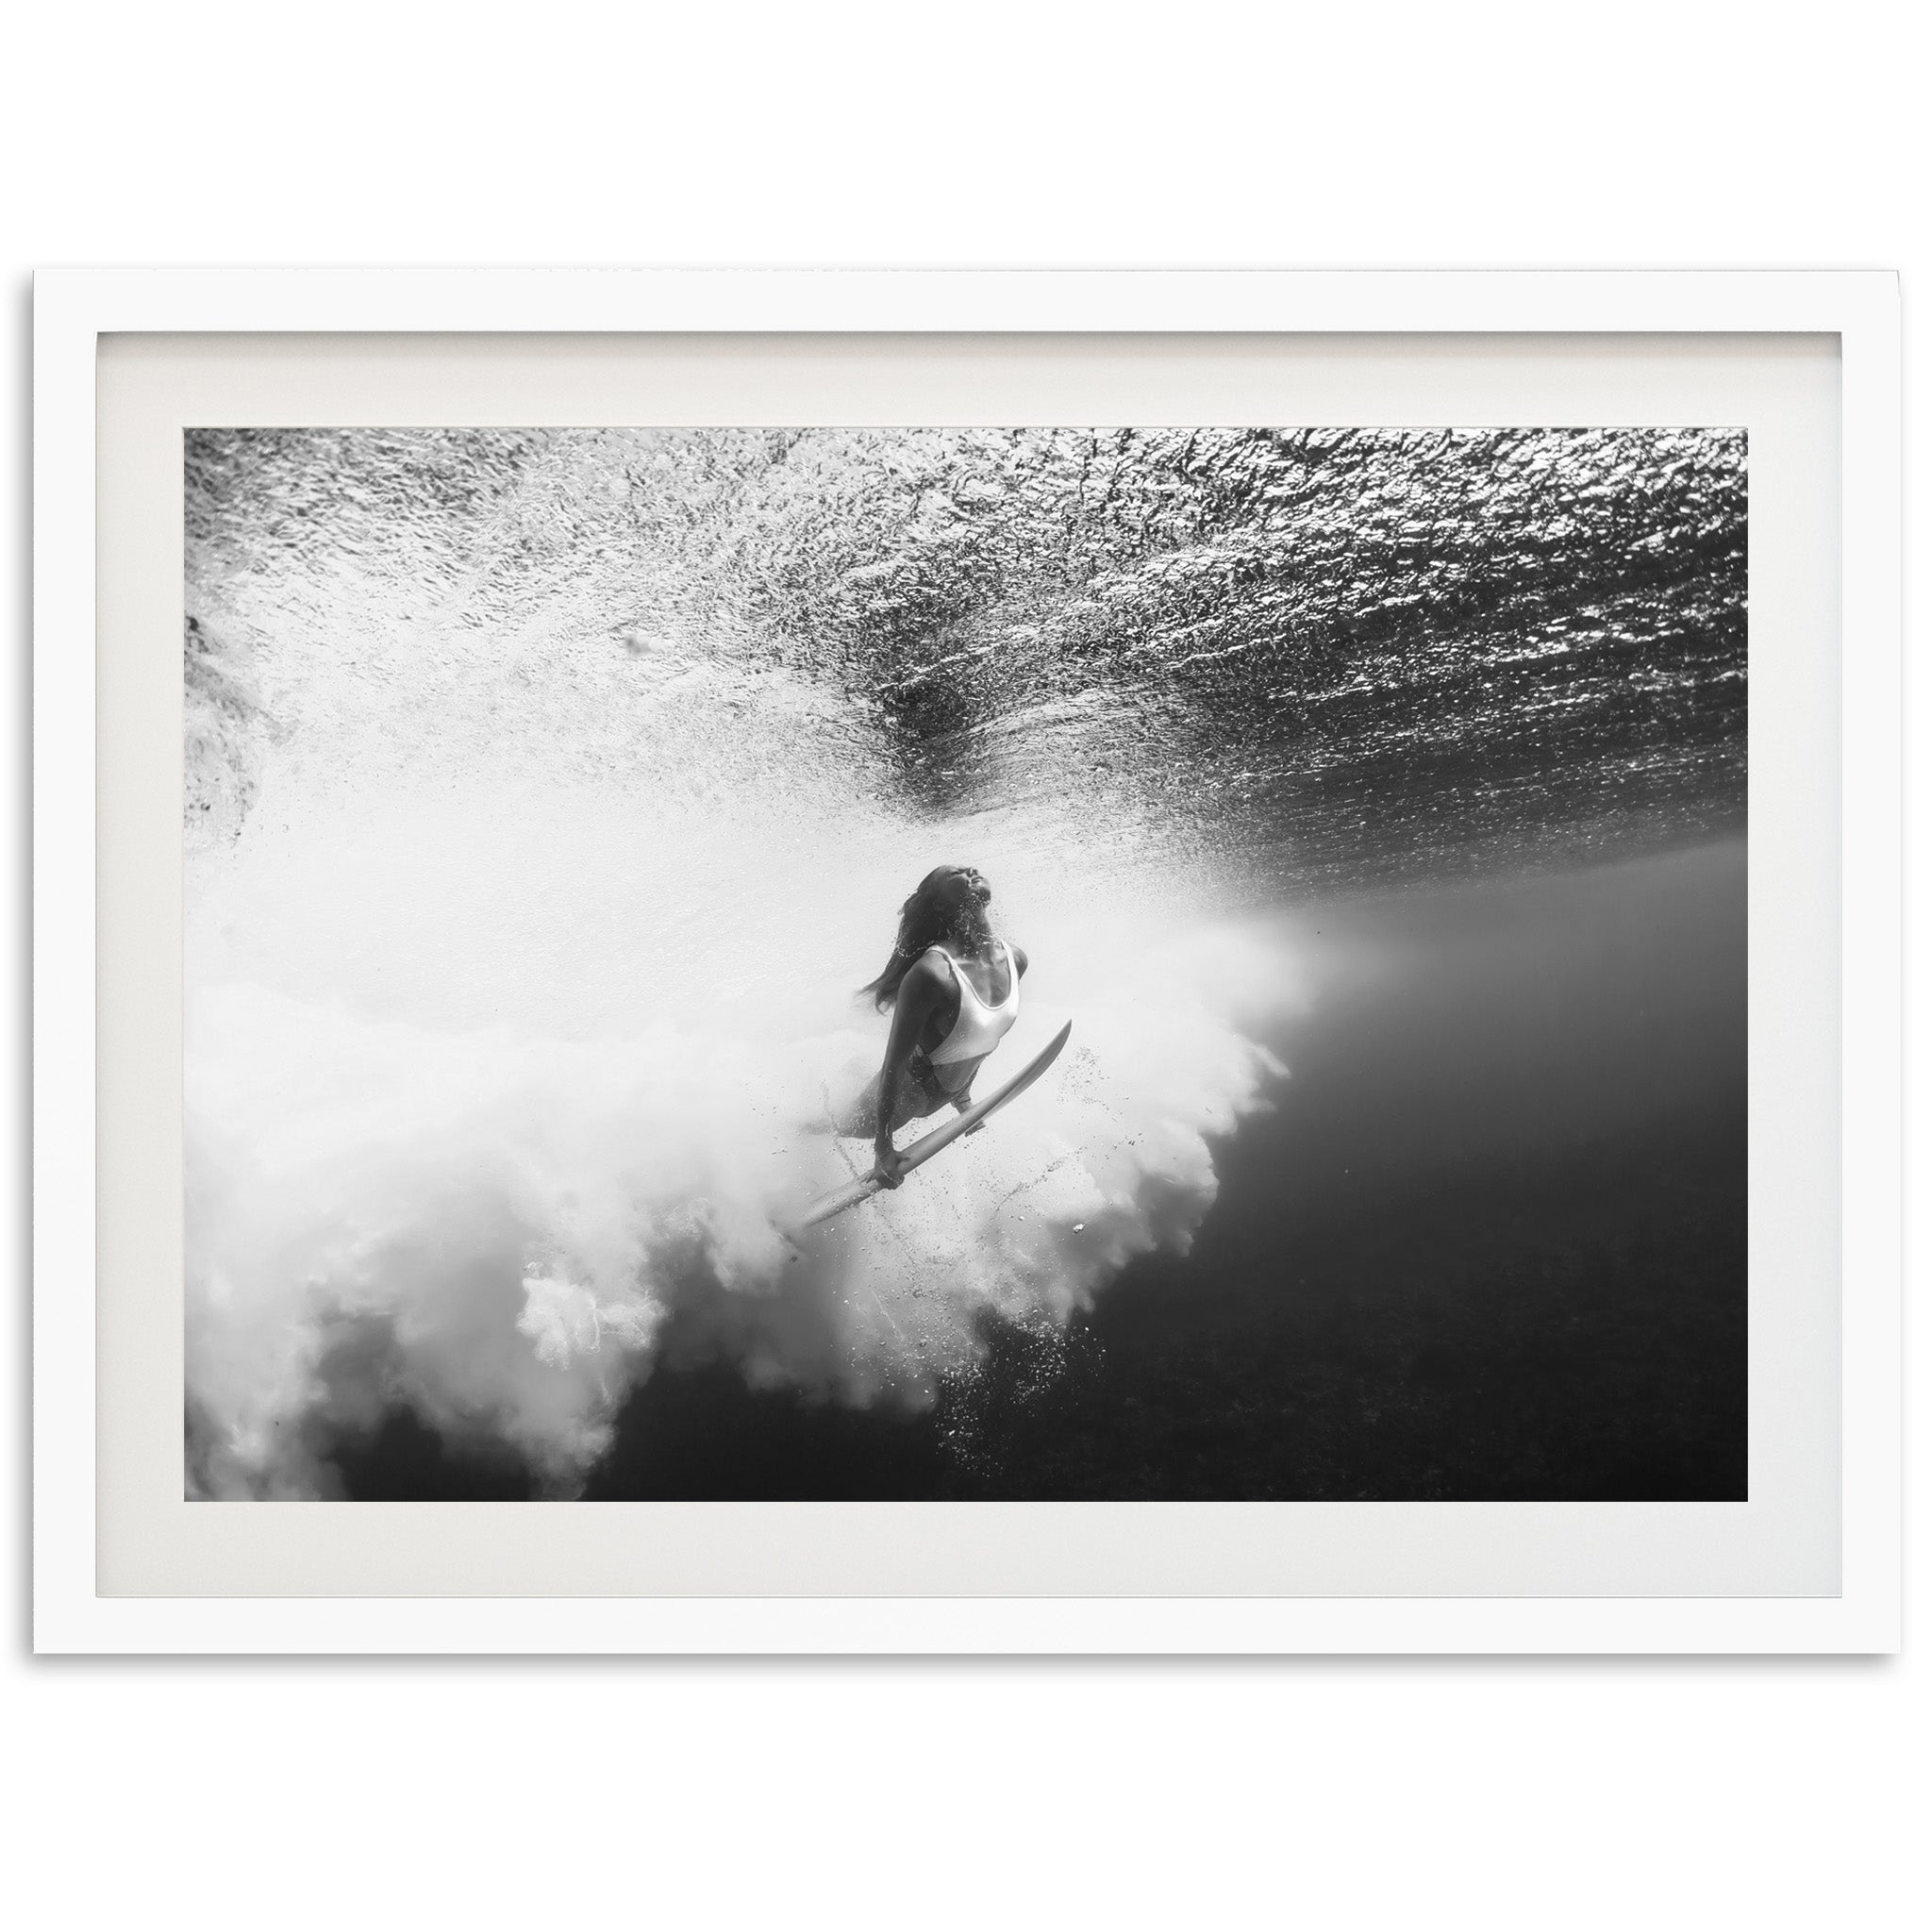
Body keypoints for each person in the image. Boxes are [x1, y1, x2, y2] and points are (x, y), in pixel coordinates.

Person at [842, 865, 1029, 1189]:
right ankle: (768, 1132)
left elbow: (979, 1037)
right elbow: (894, 1064)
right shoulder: (932, 974)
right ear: (940, 904)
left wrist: (963, 1098)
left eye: (971, 867)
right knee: (833, 1124)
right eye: (955, 873)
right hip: (904, 1098)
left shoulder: (1016, 959)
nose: (970, 869)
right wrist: (883, 1149)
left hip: (946, 1094)